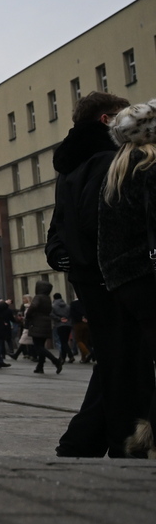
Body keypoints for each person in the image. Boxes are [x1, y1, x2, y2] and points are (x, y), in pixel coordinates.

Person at [46, 91, 151, 458]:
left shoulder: (70, 165)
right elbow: (104, 223)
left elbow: (58, 230)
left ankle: (82, 442)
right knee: (126, 360)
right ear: (107, 121)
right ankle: (123, 444)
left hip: (90, 275)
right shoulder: (111, 160)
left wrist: (68, 260)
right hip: (116, 273)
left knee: (114, 358)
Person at [97, 98, 156, 457]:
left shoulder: (117, 169)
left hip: (125, 278)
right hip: (150, 270)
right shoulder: (150, 165)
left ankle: (145, 435)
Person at [24, 281, 63, 374]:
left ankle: (56, 361)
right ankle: (40, 366)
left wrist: (28, 316)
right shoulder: (47, 298)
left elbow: (33, 306)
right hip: (46, 323)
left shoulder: (38, 297)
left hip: (37, 322)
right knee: (41, 345)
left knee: (38, 347)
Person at [51, 292, 75, 363]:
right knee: (65, 341)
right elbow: (71, 314)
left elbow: (51, 314)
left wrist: (59, 319)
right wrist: (68, 320)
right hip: (68, 325)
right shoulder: (67, 306)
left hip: (60, 325)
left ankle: (71, 355)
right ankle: (63, 357)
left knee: (63, 342)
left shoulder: (53, 306)